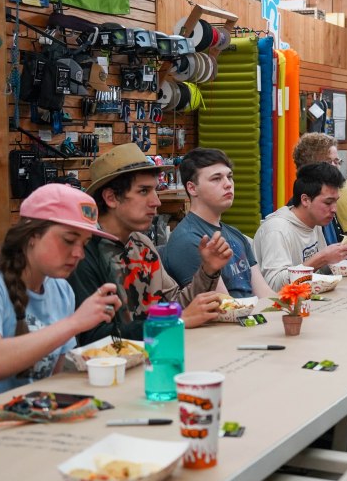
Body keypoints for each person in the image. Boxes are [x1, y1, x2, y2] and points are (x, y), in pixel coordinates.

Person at [0, 184, 123, 415]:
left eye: (85, 244)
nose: (79, 253)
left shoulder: (61, 290)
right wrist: (74, 323)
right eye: (69, 240)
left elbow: (54, 378)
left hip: (25, 415)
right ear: (31, 235)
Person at [68, 143, 232, 346]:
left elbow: (175, 305)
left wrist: (208, 270)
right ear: (111, 198)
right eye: (144, 191)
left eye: (155, 190)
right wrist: (175, 321)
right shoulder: (82, 252)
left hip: (150, 357)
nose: (157, 201)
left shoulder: (141, 244)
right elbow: (94, 337)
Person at [163, 148, 271, 299]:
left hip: (255, 317)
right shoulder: (189, 240)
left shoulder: (235, 234)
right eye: (216, 178)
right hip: (231, 320)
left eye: (230, 177)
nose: (228, 184)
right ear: (192, 188)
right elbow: (225, 308)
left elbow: (266, 295)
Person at [254, 163, 347, 291]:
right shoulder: (277, 229)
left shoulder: (315, 222)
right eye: (328, 202)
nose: (334, 209)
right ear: (305, 200)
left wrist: (340, 254)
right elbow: (274, 286)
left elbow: (320, 272)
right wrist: (321, 258)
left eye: (336, 201)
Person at [291, 132, 344, 246]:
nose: (336, 167)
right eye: (330, 162)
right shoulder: (299, 214)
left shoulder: (327, 203)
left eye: (338, 161)